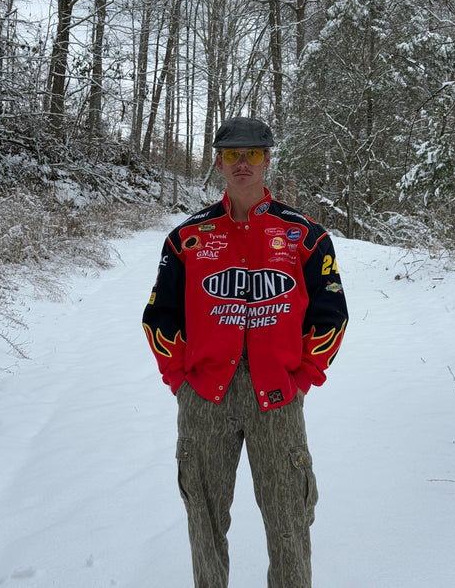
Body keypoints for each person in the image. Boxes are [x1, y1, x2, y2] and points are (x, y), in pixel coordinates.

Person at [142, 116, 348, 588]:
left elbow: (331, 316)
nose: (242, 163)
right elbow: (159, 316)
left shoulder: (305, 236)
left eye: (252, 153)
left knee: (290, 521)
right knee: (205, 520)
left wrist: (301, 378)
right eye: (232, 154)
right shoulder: (187, 239)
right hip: (205, 399)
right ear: (217, 160)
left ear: (267, 160)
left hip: (276, 395)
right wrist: (181, 381)